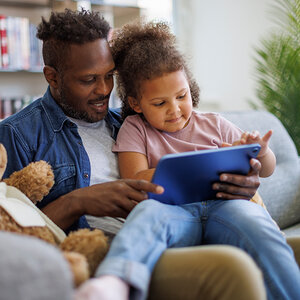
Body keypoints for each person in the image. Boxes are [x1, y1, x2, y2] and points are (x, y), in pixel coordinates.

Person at [0, 9, 291, 300]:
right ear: (52, 76)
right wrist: (78, 202)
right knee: (234, 268)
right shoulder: (18, 134)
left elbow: (254, 168)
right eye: (88, 79)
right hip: (107, 248)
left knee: (282, 246)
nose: (104, 90)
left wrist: (245, 180)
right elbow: (10, 229)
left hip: (194, 223)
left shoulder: (126, 121)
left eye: (109, 76)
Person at [74, 21, 300, 300]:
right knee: (146, 218)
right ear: (136, 104)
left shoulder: (215, 123)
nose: (174, 109)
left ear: (190, 89)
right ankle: (113, 282)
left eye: (182, 96)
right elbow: (134, 179)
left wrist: (260, 152)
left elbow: (266, 170)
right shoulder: (136, 128)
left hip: (225, 207)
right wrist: (188, 169)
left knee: (257, 224)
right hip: (173, 212)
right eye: (160, 103)